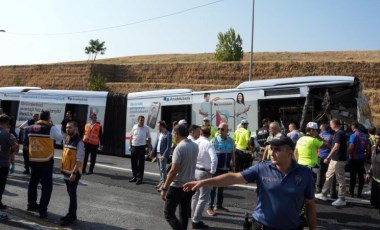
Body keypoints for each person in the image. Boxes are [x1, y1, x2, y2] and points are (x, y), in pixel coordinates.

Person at [184, 134, 317, 230]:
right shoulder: (262, 168)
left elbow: (310, 204)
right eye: (271, 148)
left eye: (277, 149)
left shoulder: (304, 173)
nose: (272, 153)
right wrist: (203, 182)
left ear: (289, 152)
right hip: (261, 226)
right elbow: (233, 177)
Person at [160, 124, 199, 230]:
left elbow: (173, 171)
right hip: (189, 185)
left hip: (177, 186)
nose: (172, 136)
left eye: (173, 134)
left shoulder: (179, 148)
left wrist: (164, 188)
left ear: (177, 134)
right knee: (184, 213)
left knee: (168, 214)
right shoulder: (195, 146)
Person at [26, 110, 63, 218]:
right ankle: (42, 210)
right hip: (46, 161)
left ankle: (31, 205)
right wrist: (53, 125)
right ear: (48, 119)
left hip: (33, 160)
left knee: (33, 183)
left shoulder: (30, 128)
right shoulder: (50, 128)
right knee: (47, 187)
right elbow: (60, 137)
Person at [315, 119, 348, 207]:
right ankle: (324, 193)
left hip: (338, 159)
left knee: (340, 178)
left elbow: (336, 147)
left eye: (331, 124)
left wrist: (328, 157)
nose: (330, 126)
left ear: (334, 124)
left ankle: (342, 198)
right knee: (328, 175)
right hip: (335, 158)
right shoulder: (338, 133)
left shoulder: (339, 133)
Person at [191, 126, 217, 229]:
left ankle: (193, 216)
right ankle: (196, 221)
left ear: (201, 132)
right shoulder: (208, 143)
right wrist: (212, 171)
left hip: (195, 170)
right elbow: (214, 159)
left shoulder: (195, 142)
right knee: (203, 197)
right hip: (204, 172)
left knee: (195, 195)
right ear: (210, 134)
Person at [207, 122, 234, 216]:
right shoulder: (214, 140)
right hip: (216, 168)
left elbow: (232, 153)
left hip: (225, 167)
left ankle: (219, 205)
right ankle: (209, 207)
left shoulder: (231, 140)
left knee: (221, 187)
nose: (220, 131)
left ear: (227, 131)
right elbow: (208, 154)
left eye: (222, 129)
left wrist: (233, 165)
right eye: (219, 129)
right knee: (213, 187)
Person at [60, 121, 84, 226]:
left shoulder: (79, 142)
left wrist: (73, 173)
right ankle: (73, 215)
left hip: (73, 173)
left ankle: (71, 216)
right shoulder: (67, 138)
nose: (68, 129)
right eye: (66, 128)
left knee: (72, 195)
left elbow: (79, 160)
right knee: (70, 194)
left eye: (70, 128)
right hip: (66, 171)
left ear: (76, 128)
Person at [0, 115, 19, 215]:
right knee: (1, 186)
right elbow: (16, 149)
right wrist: (15, 140)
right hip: (3, 164)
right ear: (7, 123)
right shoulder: (8, 135)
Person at [347, 121, 369, 198]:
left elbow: (351, 147)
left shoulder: (354, 135)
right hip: (362, 158)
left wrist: (346, 154)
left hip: (353, 158)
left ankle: (351, 192)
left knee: (353, 176)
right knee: (360, 176)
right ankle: (359, 193)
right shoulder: (365, 136)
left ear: (353, 127)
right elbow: (367, 147)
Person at [316, 124, 337, 197]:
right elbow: (334, 147)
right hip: (329, 157)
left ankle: (318, 190)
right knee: (331, 175)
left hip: (320, 156)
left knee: (320, 174)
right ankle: (333, 192)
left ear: (322, 129)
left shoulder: (318, 136)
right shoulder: (332, 136)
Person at [129, 115, 151, 185]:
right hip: (134, 147)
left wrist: (149, 148)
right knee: (133, 162)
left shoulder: (146, 128)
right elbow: (131, 136)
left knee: (141, 163)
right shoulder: (134, 127)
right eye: (141, 120)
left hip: (142, 147)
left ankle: (139, 179)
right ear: (138, 121)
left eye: (143, 120)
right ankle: (134, 176)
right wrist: (130, 146)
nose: (142, 122)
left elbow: (149, 138)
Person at [151, 121, 172, 191]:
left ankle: (164, 184)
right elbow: (156, 144)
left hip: (163, 154)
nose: (157, 127)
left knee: (163, 170)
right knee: (160, 169)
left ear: (162, 126)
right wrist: (152, 152)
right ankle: (161, 181)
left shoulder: (168, 134)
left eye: (158, 126)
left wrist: (164, 155)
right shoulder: (159, 134)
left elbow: (168, 146)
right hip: (158, 153)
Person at [365, 129, 380, 213]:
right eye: (376, 138)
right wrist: (369, 173)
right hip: (374, 179)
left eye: (378, 139)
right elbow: (372, 162)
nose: (376, 140)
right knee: (373, 202)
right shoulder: (373, 148)